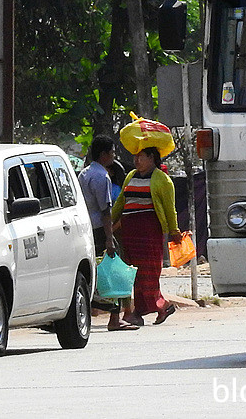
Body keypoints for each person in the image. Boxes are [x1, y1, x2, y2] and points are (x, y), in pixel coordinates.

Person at [112, 146, 182, 326]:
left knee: (149, 272)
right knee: (134, 272)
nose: (136, 160)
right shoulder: (131, 176)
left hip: (150, 230)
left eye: (141, 157)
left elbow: (169, 208)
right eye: (136, 156)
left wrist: (174, 231)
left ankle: (162, 306)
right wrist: (107, 223)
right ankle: (139, 312)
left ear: (152, 158)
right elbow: (121, 201)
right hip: (130, 231)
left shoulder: (162, 179)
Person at [78, 137, 138, 331]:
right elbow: (105, 210)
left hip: (85, 228)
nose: (114, 156)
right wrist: (110, 238)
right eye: (112, 152)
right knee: (114, 271)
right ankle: (114, 317)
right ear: (104, 154)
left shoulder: (84, 174)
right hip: (99, 230)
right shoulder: (102, 176)